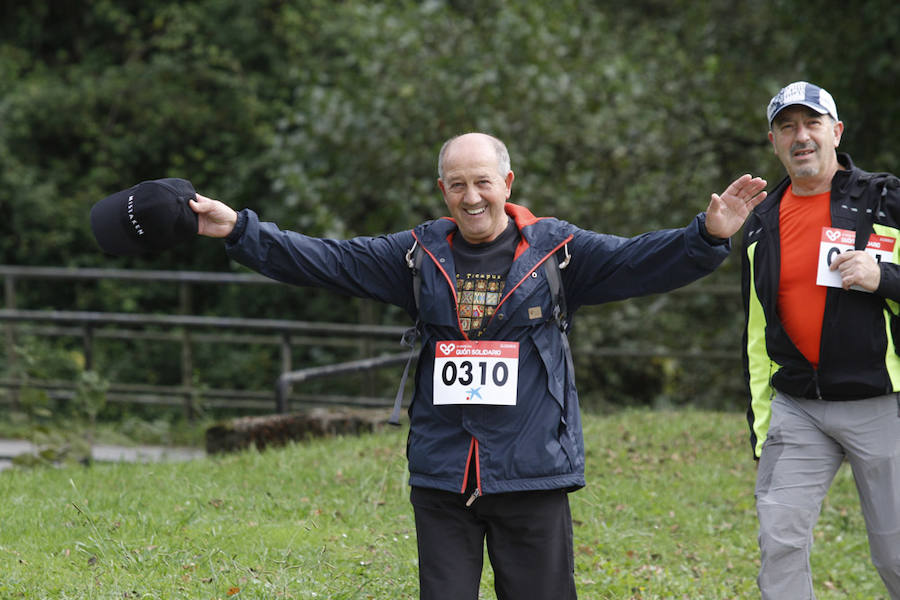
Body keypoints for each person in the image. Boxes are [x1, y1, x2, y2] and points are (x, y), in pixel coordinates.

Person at [192, 132, 766, 599]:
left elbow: (639, 260)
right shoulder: (416, 254)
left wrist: (707, 235)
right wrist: (242, 231)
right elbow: (328, 260)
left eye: (482, 183)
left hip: (532, 470)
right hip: (444, 474)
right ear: (442, 189)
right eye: (458, 185)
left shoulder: (557, 251)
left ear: (507, 184)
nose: (471, 198)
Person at [742, 82, 900, 599]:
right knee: (779, 542)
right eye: (788, 126)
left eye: (812, 123)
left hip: (882, 404)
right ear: (774, 141)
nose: (801, 136)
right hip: (798, 408)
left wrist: (886, 278)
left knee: (895, 553)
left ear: (836, 132)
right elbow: (756, 335)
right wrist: (762, 427)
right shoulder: (759, 222)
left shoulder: (884, 198)